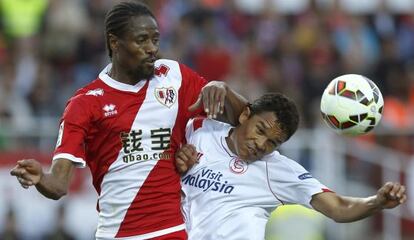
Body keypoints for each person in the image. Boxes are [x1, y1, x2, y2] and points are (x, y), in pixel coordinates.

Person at [10, 2, 247, 240]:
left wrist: (224, 90)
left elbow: (244, 118)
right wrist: (41, 178)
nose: (152, 48)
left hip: (171, 230)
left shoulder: (173, 78)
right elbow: (59, 185)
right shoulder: (85, 103)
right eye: (141, 40)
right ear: (115, 43)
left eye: (155, 39)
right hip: (117, 234)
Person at [176, 92, 407, 240]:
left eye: (273, 142)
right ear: (245, 115)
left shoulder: (277, 170)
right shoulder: (199, 130)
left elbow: (337, 207)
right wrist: (175, 160)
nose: (260, 144)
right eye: (260, 130)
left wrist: (376, 202)